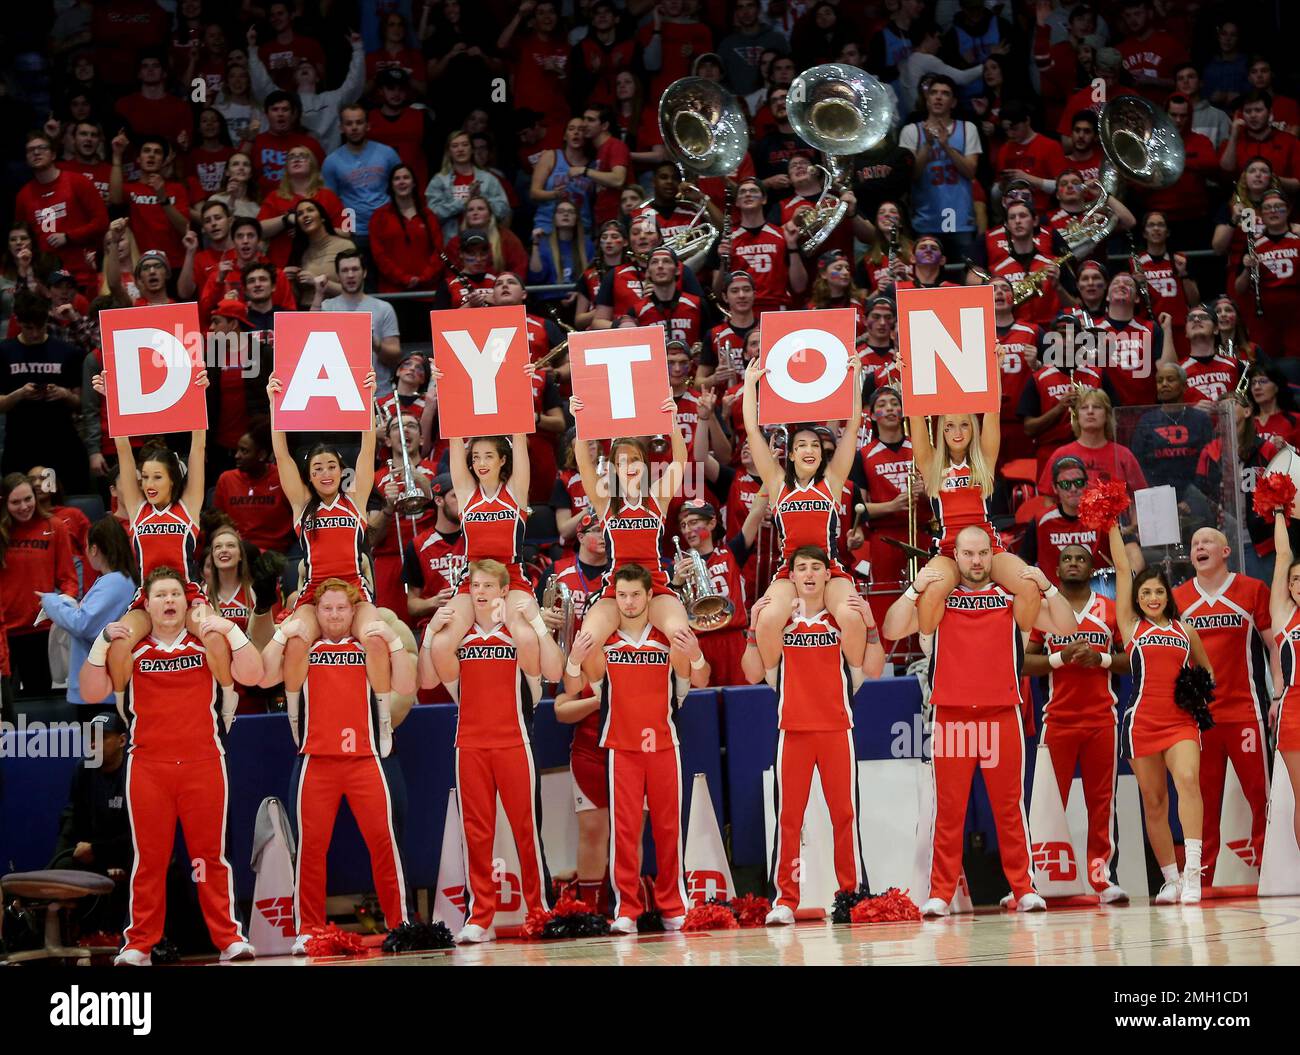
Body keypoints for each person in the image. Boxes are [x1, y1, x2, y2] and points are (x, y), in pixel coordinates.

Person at [80, 565, 263, 965]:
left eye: (175, 595)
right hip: (148, 766)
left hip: (203, 763)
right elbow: (89, 689)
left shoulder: (208, 643)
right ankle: (140, 943)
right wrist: (100, 642)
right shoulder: (131, 649)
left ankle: (230, 938)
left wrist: (230, 630)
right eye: (160, 595)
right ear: (147, 603)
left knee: (209, 857)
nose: (168, 601)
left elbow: (256, 673)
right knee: (149, 859)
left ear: (187, 602)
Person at [885, 525, 1070, 916]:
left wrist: (1049, 588)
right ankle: (940, 892)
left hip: (1002, 714)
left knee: (1010, 808)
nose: (976, 561)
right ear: (956, 558)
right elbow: (891, 628)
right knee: (949, 809)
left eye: (983, 553)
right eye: (968, 554)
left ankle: (1023, 888)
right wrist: (914, 589)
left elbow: (1068, 628)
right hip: (951, 718)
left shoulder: (1013, 598)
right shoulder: (938, 599)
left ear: (993, 555)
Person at [260, 577, 414, 953]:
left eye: (340, 608)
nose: (333, 615)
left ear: (353, 611)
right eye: (326, 608)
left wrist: (394, 642)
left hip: (365, 759)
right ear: (316, 610)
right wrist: (281, 636)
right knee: (311, 849)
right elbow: (263, 677)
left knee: (385, 844)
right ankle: (308, 930)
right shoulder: (303, 647)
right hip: (317, 761)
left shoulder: (370, 645)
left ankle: (402, 925)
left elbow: (409, 685)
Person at [421, 559, 564, 943]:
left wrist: (532, 625)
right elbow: (427, 677)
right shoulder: (459, 638)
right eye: (474, 585)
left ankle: (539, 910)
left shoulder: (519, 636)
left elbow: (552, 672)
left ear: (503, 590)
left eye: (488, 585)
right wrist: (430, 633)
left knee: (526, 831)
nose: (479, 591)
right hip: (469, 745)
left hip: (514, 742)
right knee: (476, 833)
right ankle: (480, 916)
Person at [563, 563, 710, 932]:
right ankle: (626, 908)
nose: (628, 602)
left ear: (649, 597)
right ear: (615, 598)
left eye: (635, 595)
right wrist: (574, 659)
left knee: (667, 830)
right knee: (625, 832)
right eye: (622, 595)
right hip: (622, 748)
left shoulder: (667, 637)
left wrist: (695, 655)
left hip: (663, 745)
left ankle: (672, 906)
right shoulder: (604, 643)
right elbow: (573, 684)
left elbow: (700, 681)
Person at [759, 546, 884, 924]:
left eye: (817, 567)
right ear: (791, 576)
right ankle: (785, 900)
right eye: (802, 568)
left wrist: (871, 627)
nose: (810, 574)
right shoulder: (779, 624)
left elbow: (871, 670)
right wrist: (755, 625)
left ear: (828, 576)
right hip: (793, 731)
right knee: (789, 819)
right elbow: (754, 672)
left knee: (844, 816)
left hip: (836, 730)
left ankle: (850, 895)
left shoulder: (841, 620)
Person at [741, 357, 873, 671]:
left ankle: (851, 680)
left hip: (830, 570)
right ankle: (776, 680)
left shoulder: (833, 481)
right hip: (788, 571)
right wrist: (749, 384)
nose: (809, 449)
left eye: (814, 444)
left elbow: (853, 425)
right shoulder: (775, 482)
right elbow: (751, 429)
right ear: (792, 453)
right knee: (768, 619)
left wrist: (854, 379)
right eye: (801, 445)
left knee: (852, 617)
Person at [1108, 518, 1213, 904]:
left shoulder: (1187, 633)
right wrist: (1110, 525)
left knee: (1187, 779)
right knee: (1154, 802)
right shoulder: (1131, 628)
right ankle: (1170, 880)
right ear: (1137, 599)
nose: (1152, 597)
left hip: (1181, 721)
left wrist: (1197, 692)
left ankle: (1193, 872)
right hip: (1142, 723)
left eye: (1158, 592)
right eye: (1145, 592)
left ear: (1168, 596)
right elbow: (1122, 568)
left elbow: (1207, 673)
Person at [1023, 544, 1131, 901]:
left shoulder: (1112, 611)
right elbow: (1023, 662)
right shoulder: (1044, 611)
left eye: (1081, 558)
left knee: (1101, 805)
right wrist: (1060, 658)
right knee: (1048, 805)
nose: (1073, 563)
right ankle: (1037, 881)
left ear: (1092, 567)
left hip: (1103, 718)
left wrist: (1099, 659)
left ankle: (1102, 879)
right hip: (1058, 721)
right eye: (1067, 559)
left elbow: (1130, 660)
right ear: (1057, 567)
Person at [909, 403, 1071, 638]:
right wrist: (910, 375)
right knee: (931, 591)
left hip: (989, 548)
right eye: (950, 426)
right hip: (948, 550)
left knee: (1028, 585)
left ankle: (1018, 644)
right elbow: (915, 416)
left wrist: (994, 368)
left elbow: (992, 410)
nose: (958, 433)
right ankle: (933, 648)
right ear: (940, 431)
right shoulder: (931, 463)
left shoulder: (984, 459)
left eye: (965, 425)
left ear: (973, 428)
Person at [265, 368, 380, 683]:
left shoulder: (355, 500)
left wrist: (368, 399)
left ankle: (382, 722)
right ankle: (294, 716)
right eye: (318, 468)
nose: (326, 473)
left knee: (376, 638)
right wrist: (274, 404)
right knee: (296, 641)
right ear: (310, 475)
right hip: (314, 593)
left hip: (355, 589)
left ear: (342, 471)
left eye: (332, 466)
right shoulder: (302, 505)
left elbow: (368, 448)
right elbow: (282, 455)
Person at [1173, 529, 1271, 881]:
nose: (1199, 547)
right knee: (1203, 800)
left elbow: (1274, 647)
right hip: (1201, 719)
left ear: (1226, 550)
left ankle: (1269, 866)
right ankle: (1200, 876)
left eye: (1207, 542)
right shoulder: (1178, 598)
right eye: (1195, 544)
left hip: (1247, 711)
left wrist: (1277, 696)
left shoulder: (1252, 590)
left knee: (1260, 795)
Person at [565, 394, 693, 652]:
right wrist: (579, 420)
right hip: (615, 588)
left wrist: (673, 422)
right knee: (586, 643)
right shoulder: (605, 501)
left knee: (681, 637)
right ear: (613, 468)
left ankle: (676, 691)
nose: (629, 466)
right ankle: (601, 691)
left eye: (634, 459)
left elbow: (680, 460)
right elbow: (584, 464)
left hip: (655, 584)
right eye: (621, 461)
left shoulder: (658, 496)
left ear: (644, 464)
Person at [38, 516, 137, 706]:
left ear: (94, 549)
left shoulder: (115, 582)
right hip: (98, 685)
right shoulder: (116, 580)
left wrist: (51, 602)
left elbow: (83, 624)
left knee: (97, 737)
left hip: (99, 687)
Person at [47, 712, 132, 932]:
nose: (94, 743)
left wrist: (100, 850)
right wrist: (61, 859)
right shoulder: (83, 769)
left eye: (102, 737)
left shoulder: (135, 772)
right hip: (90, 854)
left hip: (128, 854)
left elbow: (143, 834)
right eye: (91, 737)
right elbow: (72, 818)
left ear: (121, 741)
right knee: (61, 868)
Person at [0, 472, 78, 696]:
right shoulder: (1, 532)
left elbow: (68, 579)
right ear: (4, 502)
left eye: (28, 499)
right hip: (3, 632)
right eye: (15, 502)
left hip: (39, 630)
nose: (24, 506)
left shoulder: (54, 527)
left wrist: (64, 605)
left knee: (39, 697)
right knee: (5, 704)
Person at [16, 129, 108, 297]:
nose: (36, 152)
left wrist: (68, 236)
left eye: (42, 148)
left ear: (53, 154)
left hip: (81, 276)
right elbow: (22, 236)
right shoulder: (23, 195)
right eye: (31, 150)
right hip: (46, 281)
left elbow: (101, 222)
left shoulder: (78, 182)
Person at [316, 249, 402, 397]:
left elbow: (395, 357)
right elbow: (309, 343)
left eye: (355, 269)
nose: (350, 275)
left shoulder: (384, 308)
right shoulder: (326, 307)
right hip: (336, 393)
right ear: (338, 275)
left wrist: (375, 343)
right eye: (345, 270)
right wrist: (318, 293)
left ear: (364, 272)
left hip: (377, 393)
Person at [1034, 388, 1148, 495]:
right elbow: (1048, 501)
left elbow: (1140, 498)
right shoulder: (1061, 455)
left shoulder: (1124, 455)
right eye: (1084, 408)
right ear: (1077, 417)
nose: (1090, 411)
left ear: (1107, 415)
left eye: (1097, 407)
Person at [321, 104, 401, 248]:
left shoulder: (387, 153)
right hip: (354, 232)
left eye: (359, 122)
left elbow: (402, 189)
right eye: (349, 123)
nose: (354, 127)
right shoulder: (331, 161)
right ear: (341, 128)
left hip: (388, 227)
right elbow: (330, 202)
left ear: (368, 126)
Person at [1267, 511, 1300, 853]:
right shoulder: (1283, 614)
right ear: (1289, 586)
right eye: (1296, 580)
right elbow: (1283, 556)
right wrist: (1278, 511)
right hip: (1295, 708)